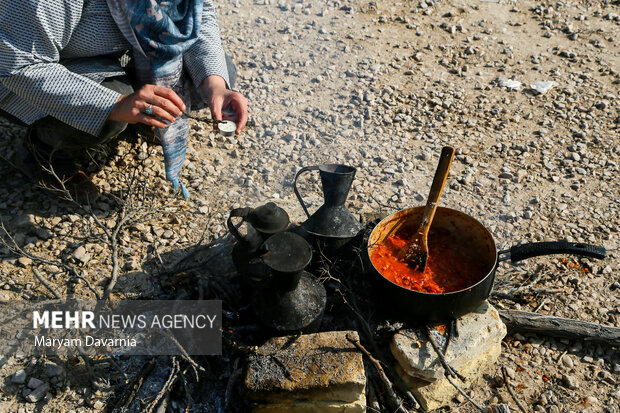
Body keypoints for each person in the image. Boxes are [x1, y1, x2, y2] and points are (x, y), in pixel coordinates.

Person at [0, 0, 248, 201]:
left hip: (118, 51)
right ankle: (43, 153)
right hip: (26, 71)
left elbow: (197, 13)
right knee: (109, 111)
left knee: (216, 72)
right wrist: (115, 104)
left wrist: (215, 84)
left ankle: (140, 118)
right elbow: (17, 66)